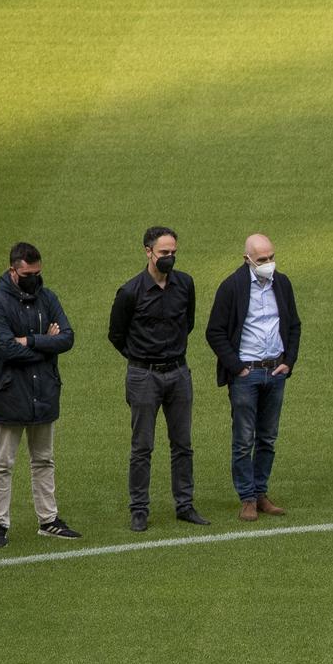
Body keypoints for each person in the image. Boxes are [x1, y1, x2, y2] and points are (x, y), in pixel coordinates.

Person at [0, 242, 80, 548]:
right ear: (13, 270)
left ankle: (48, 520)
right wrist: (44, 345)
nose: (34, 278)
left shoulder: (47, 297)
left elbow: (66, 338)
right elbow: (6, 348)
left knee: (44, 460)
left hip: (44, 392)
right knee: (3, 463)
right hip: (10, 393)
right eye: (27, 273)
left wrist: (30, 341)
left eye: (37, 273)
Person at [109, 225, 206, 531]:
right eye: (164, 253)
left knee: (183, 444)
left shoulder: (185, 285)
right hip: (144, 375)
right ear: (148, 251)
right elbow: (116, 335)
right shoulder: (129, 292)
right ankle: (139, 509)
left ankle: (185, 504)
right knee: (142, 446)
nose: (170, 258)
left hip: (178, 372)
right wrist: (141, 358)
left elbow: (188, 322)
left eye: (174, 253)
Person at [205, 233, 301, 522]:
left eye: (271, 257)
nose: (269, 263)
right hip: (246, 374)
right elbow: (215, 332)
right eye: (262, 260)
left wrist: (288, 362)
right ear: (247, 259)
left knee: (268, 438)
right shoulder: (232, 287)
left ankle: (261, 493)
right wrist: (237, 367)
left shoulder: (281, 284)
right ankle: (246, 497)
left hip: (275, 371)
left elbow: (294, 325)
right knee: (244, 439)